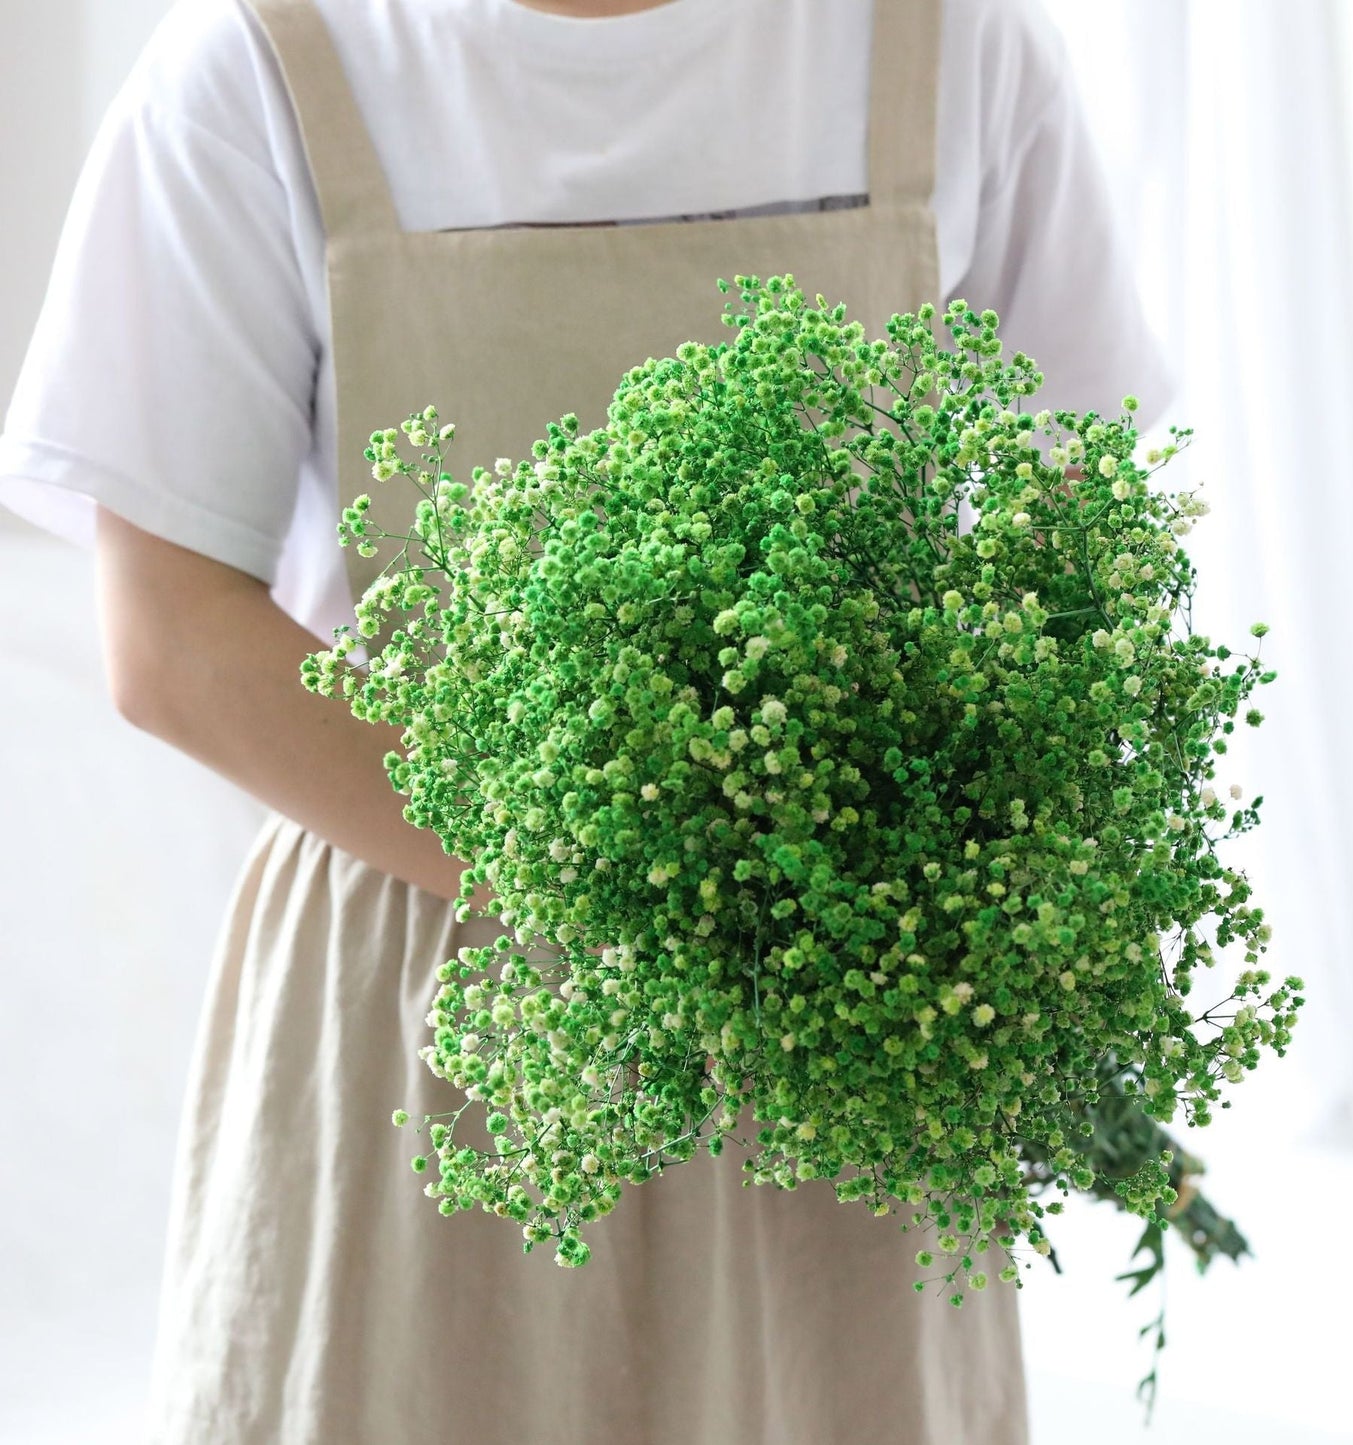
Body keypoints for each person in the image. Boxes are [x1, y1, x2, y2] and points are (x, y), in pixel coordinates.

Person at [0, 0, 1172, 1439]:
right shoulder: (261, 60)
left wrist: (986, 908)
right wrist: (640, 891)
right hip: (438, 1024)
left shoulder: (946, 40)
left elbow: (1085, 518)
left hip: (850, 1018)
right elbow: (171, 635)